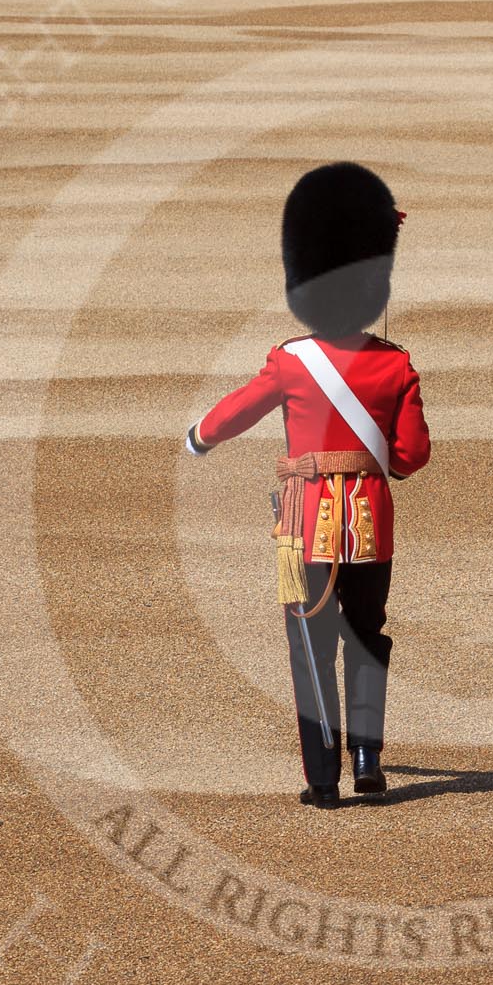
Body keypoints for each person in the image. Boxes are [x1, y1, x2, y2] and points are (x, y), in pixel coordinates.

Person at [184, 164, 430, 809]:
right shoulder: (396, 363)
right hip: (372, 520)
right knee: (368, 633)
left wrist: (198, 437)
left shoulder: (292, 362)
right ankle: (368, 757)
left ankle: (323, 779)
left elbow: (233, 413)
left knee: (311, 642)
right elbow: (410, 456)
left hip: (304, 522)